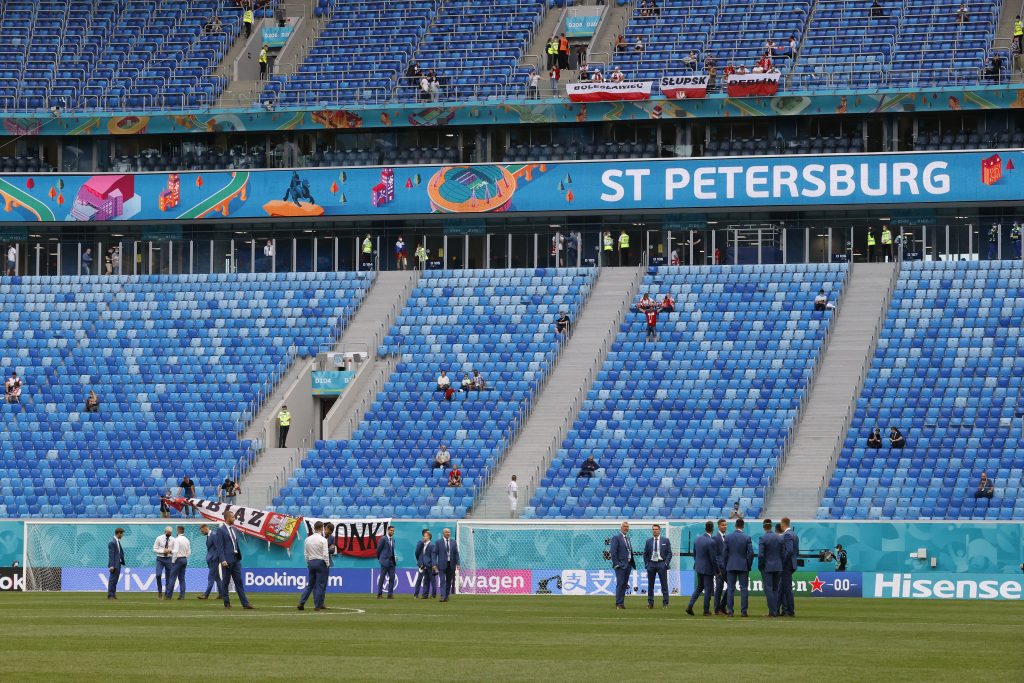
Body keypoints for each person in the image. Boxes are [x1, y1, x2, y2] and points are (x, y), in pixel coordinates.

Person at [215, 510, 254, 609]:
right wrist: (223, 560)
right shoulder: (221, 530)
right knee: (226, 582)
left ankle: (245, 604)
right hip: (227, 560)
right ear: (227, 518)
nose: (234, 518)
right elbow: (220, 547)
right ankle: (227, 603)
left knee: (239, 582)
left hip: (236, 559)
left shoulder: (234, 529)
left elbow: (234, 543)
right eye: (233, 517)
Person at [723, 518, 753, 617]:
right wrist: (748, 564)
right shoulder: (747, 537)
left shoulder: (728, 537)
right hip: (743, 565)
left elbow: (725, 553)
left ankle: (730, 611)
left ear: (735, 526)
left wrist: (726, 564)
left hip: (730, 565)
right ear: (743, 526)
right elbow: (751, 553)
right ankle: (744, 611)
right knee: (744, 589)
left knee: (730, 589)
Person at [686, 521, 717, 616]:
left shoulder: (697, 539)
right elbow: (713, 558)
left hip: (698, 567)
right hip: (707, 569)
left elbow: (694, 554)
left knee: (699, 588)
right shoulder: (711, 541)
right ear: (712, 529)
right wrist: (717, 571)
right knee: (707, 589)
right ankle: (706, 610)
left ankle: (690, 606)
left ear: (705, 528)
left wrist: (698, 564)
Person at [297, 521, 330, 611]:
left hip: (311, 562)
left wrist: (308, 563)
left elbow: (305, 554)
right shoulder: (323, 540)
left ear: (314, 528)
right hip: (321, 562)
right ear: (321, 528)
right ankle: (317, 605)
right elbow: (325, 554)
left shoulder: (307, 539)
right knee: (320, 585)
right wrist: (327, 564)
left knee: (310, 584)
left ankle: (301, 602)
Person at [758, 518, 783, 616]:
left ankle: (772, 612)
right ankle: (776, 610)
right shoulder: (779, 538)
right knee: (775, 589)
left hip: (767, 567)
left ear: (764, 527)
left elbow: (761, 555)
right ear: (771, 526)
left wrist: (761, 566)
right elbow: (783, 553)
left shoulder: (763, 538)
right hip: (778, 566)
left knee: (768, 589)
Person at [643, 524, 671, 609]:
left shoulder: (665, 540)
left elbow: (669, 553)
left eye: (656, 529)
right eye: (653, 529)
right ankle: (650, 603)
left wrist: (666, 564)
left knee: (664, 585)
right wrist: (647, 564)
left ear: (659, 530)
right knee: (650, 585)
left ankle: (665, 603)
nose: (654, 530)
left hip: (661, 563)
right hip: (651, 564)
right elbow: (645, 554)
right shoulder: (648, 541)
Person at [609, 521, 635, 609]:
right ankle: (618, 603)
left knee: (624, 584)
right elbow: (613, 551)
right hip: (620, 565)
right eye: (624, 526)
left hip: (628, 565)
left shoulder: (627, 538)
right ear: (621, 527)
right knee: (620, 584)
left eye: (627, 526)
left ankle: (621, 603)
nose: (626, 528)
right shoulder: (616, 537)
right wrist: (616, 564)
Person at [196, 524, 224, 601]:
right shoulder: (209, 535)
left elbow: (218, 548)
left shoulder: (214, 535)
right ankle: (221, 594)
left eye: (202, 531)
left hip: (213, 560)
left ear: (205, 528)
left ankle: (206, 594)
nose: (202, 533)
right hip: (211, 559)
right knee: (217, 578)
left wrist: (215, 558)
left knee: (210, 577)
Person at [779, 518, 799, 617]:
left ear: (782, 525)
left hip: (787, 565)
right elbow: (796, 551)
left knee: (787, 589)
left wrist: (783, 562)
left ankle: (790, 610)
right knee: (782, 588)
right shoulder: (794, 534)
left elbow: (790, 550)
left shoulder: (787, 535)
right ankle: (782, 610)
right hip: (792, 564)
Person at [165, 526, 190, 600]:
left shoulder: (177, 540)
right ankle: (182, 596)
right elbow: (189, 552)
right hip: (184, 559)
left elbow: (175, 551)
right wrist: (185, 558)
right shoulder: (187, 540)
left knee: (172, 578)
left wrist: (170, 553)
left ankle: (169, 596)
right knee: (182, 579)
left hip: (178, 560)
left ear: (178, 531)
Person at [436, 527, 459, 602]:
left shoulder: (453, 542)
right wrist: (434, 564)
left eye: (449, 532)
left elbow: (456, 553)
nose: (448, 533)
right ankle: (442, 596)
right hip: (442, 564)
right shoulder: (438, 542)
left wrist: (458, 563)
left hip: (451, 564)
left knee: (449, 581)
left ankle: (446, 595)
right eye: (446, 532)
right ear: (443, 533)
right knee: (442, 580)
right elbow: (434, 554)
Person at [153, 526, 176, 600]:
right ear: (165, 532)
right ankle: (160, 591)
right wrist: (163, 551)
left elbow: (175, 550)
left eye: (170, 533)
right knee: (158, 575)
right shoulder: (159, 538)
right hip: (160, 559)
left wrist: (170, 551)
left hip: (169, 559)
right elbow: (154, 549)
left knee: (168, 577)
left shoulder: (173, 539)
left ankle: (167, 593)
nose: (169, 534)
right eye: (168, 533)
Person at [376, 526, 398, 599]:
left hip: (392, 562)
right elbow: (378, 549)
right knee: (382, 578)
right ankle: (379, 594)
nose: (392, 532)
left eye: (393, 531)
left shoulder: (393, 540)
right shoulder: (383, 539)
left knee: (392, 578)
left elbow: (392, 550)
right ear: (388, 530)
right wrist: (380, 559)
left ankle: (390, 594)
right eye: (391, 530)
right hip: (384, 561)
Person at [413, 529, 436, 599]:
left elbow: (433, 556)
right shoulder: (421, 543)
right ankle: (417, 594)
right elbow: (416, 552)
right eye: (423, 536)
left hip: (429, 565)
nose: (423, 537)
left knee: (432, 580)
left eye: (425, 536)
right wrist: (419, 561)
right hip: (422, 565)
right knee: (420, 580)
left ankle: (432, 595)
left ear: (429, 537)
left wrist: (433, 564)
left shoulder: (432, 545)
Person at [713, 518, 728, 615]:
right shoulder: (715, 538)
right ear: (718, 526)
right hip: (719, 568)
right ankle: (717, 609)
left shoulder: (726, 537)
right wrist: (717, 568)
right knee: (719, 588)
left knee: (731, 586)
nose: (724, 526)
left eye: (725, 525)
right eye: (722, 525)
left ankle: (722, 606)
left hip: (726, 567)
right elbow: (715, 555)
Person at [107, 527, 126, 600]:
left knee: (115, 580)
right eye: (122, 534)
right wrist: (111, 565)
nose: (122, 535)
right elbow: (111, 555)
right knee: (112, 580)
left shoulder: (117, 541)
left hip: (118, 564)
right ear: (119, 533)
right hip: (114, 565)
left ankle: (113, 594)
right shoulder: (112, 542)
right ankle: (110, 595)